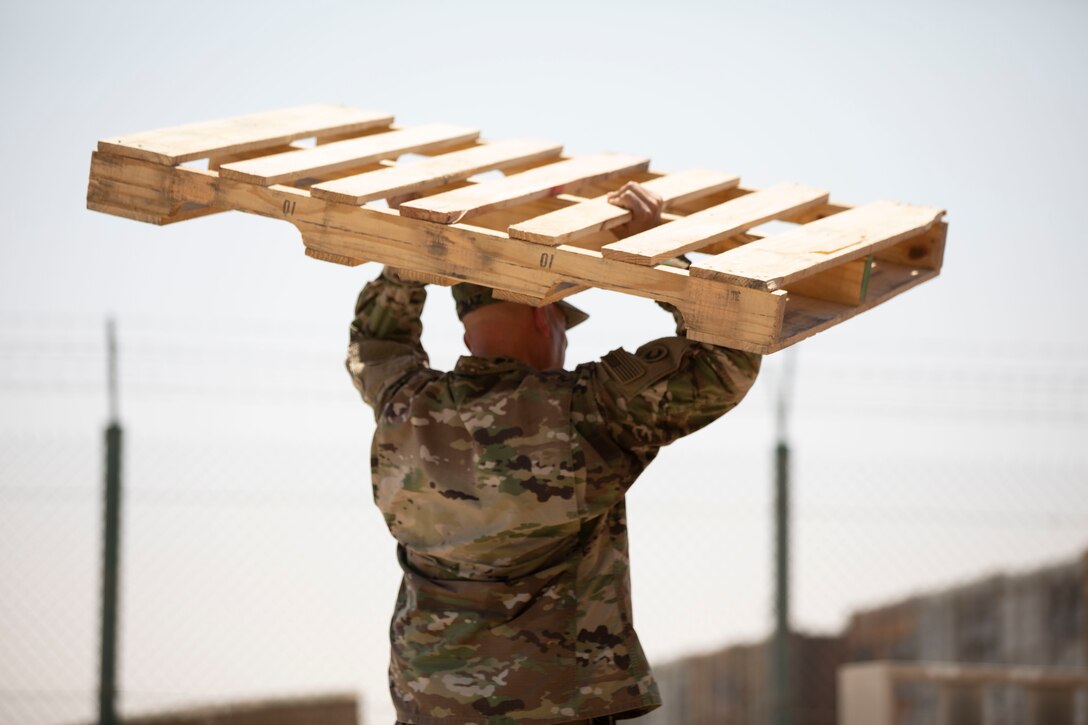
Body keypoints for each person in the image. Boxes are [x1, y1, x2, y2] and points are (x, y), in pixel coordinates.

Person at [346, 182, 761, 724]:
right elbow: (727, 359)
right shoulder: (585, 409)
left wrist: (411, 259)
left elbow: (375, 343)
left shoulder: (405, 407)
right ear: (546, 319)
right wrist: (662, 252)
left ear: (470, 333)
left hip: (430, 704)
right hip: (557, 705)